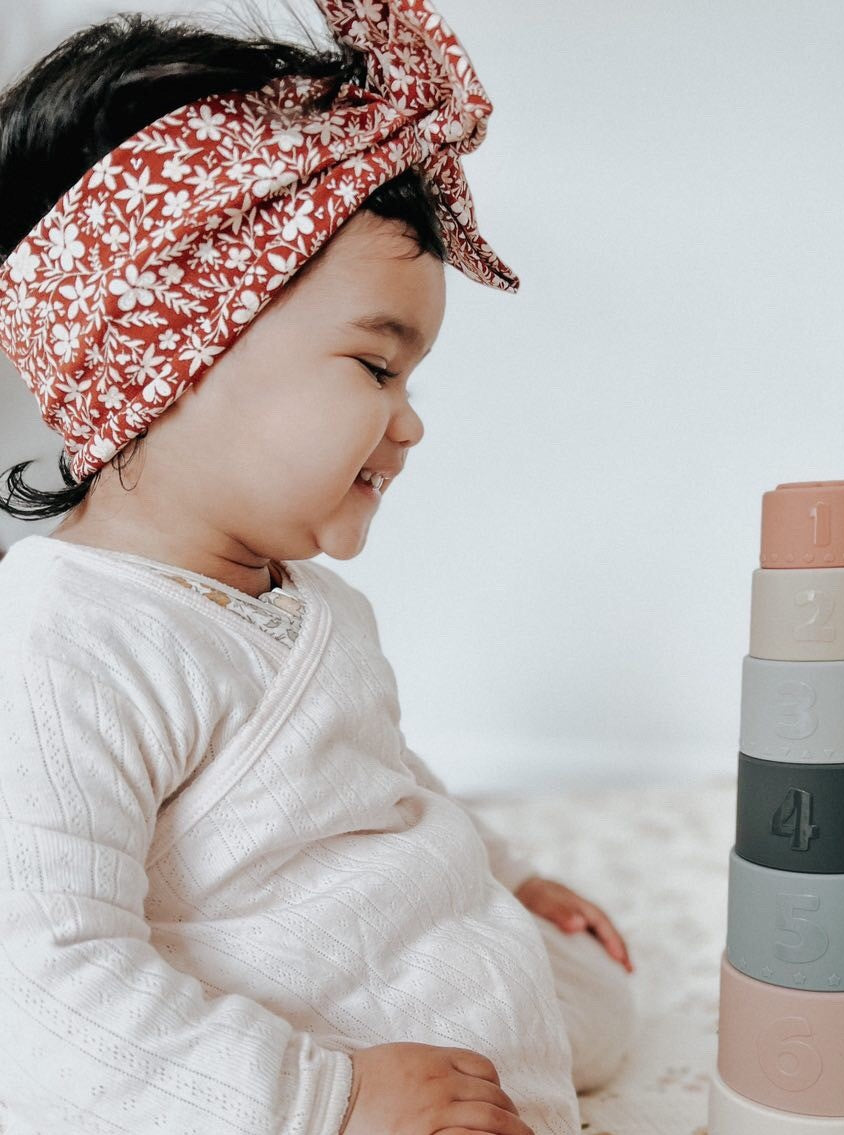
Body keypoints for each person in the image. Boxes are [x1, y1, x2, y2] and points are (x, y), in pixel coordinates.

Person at [0, 2, 635, 1133]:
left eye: (412, 381)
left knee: (602, 989)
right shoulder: (67, 640)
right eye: (375, 367)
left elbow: (379, 777)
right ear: (167, 355)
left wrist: (503, 874)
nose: (410, 423)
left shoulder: (309, 604)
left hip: (422, 978)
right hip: (312, 1058)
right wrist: (323, 1097)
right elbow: (38, 982)